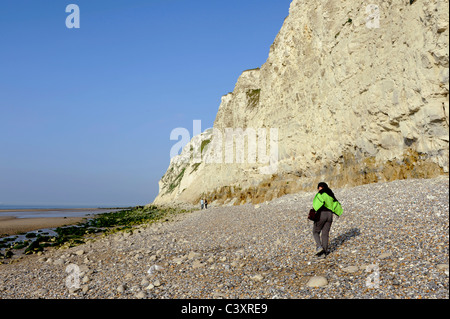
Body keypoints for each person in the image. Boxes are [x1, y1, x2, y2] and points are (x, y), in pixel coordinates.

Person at [311, 182, 342, 258]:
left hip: (322, 214)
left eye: (319, 187)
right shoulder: (331, 195)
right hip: (330, 215)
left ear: (320, 188)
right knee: (325, 233)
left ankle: (319, 247)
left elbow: (316, 205)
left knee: (315, 231)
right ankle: (324, 252)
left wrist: (313, 212)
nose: (318, 189)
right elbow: (336, 205)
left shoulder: (321, 194)